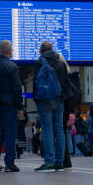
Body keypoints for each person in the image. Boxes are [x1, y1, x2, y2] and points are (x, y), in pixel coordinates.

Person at [0, 40, 23, 173]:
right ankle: (9, 164)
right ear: (9, 51)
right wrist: (20, 106)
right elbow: (17, 88)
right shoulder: (12, 66)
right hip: (9, 105)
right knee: (10, 134)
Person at [33, 41, 68, 172]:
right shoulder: (61, 63)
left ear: (41, 51)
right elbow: (65, 83)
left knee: (47, 130)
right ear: (52, 49)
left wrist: (36, 98)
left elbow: (36, 83)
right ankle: (60, 163)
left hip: (44, 101)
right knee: (59, 130)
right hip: (59, 101)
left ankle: (49, 162)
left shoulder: (39, 62)